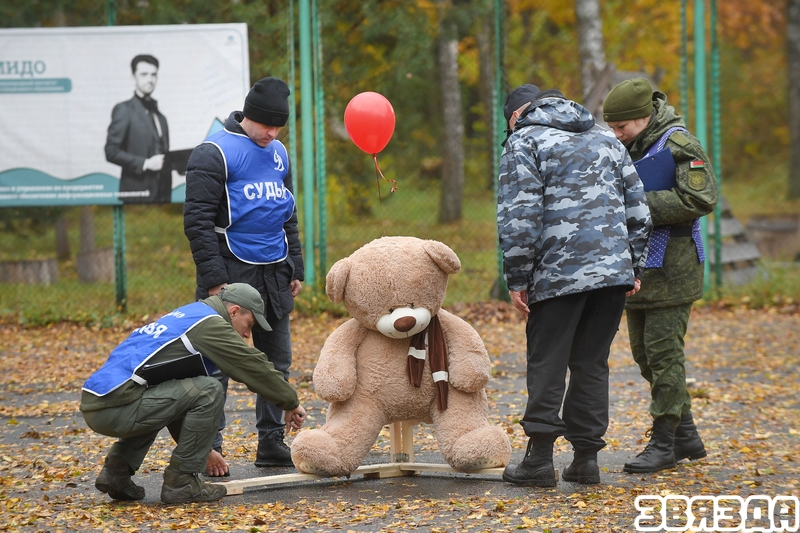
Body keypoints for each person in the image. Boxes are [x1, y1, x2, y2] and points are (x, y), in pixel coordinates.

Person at [497, 84, 652, 487]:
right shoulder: (604, 136)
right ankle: (585, 460)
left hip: (556, 274)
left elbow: (520, 217)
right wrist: (633, 266)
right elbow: (638, 206)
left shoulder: (524, 141)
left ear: (515, 115)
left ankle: (539, 461)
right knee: (590, 364)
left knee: (548, 360)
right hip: (612, 274)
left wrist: (518, 277)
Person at [80, 283, 307, 504]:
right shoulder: (210, 324)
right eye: (249, 324)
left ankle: (116, 473)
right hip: (116, 405)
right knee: (209, 389)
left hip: (102, 402)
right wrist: (290, 402)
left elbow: (175, 399)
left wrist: (203, 450)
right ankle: (181, 481)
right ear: (234, 311)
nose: (247, 335)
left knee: (173, 390)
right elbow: (250, 365)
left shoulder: (191, 313)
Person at [183, 76, 304, 474]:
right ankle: (207, 447)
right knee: (216, 365)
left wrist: (297, 266)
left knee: (277, 361)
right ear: (248, 116)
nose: (272, 132)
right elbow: (197, 222)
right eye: (266, 124)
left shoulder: (279, 152)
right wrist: (217, 282)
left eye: (278, 126)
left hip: (274, 272)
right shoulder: (213, 152)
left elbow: (287, 213)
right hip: (230, 272)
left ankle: (271, 442)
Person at [603, 77, 717, 473]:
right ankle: (686, 433)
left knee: (665, 355)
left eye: (622, 127)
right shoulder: (627, 146)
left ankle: (664, 442)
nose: (617, 135)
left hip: (674, 268)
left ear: (644, 116)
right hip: (638, 270)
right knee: (645, 356)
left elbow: (701, 198)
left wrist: (636, 203)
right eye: (613, 128)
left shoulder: (678, 143)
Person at [105, 54, 172, 204]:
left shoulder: (161, 117)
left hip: (163, 196)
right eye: (144, 74)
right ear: (133, 77)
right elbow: (110, 151)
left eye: (154, 74)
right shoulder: (124, 109)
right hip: (136, 194)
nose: (150, 79)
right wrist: (146, 163)